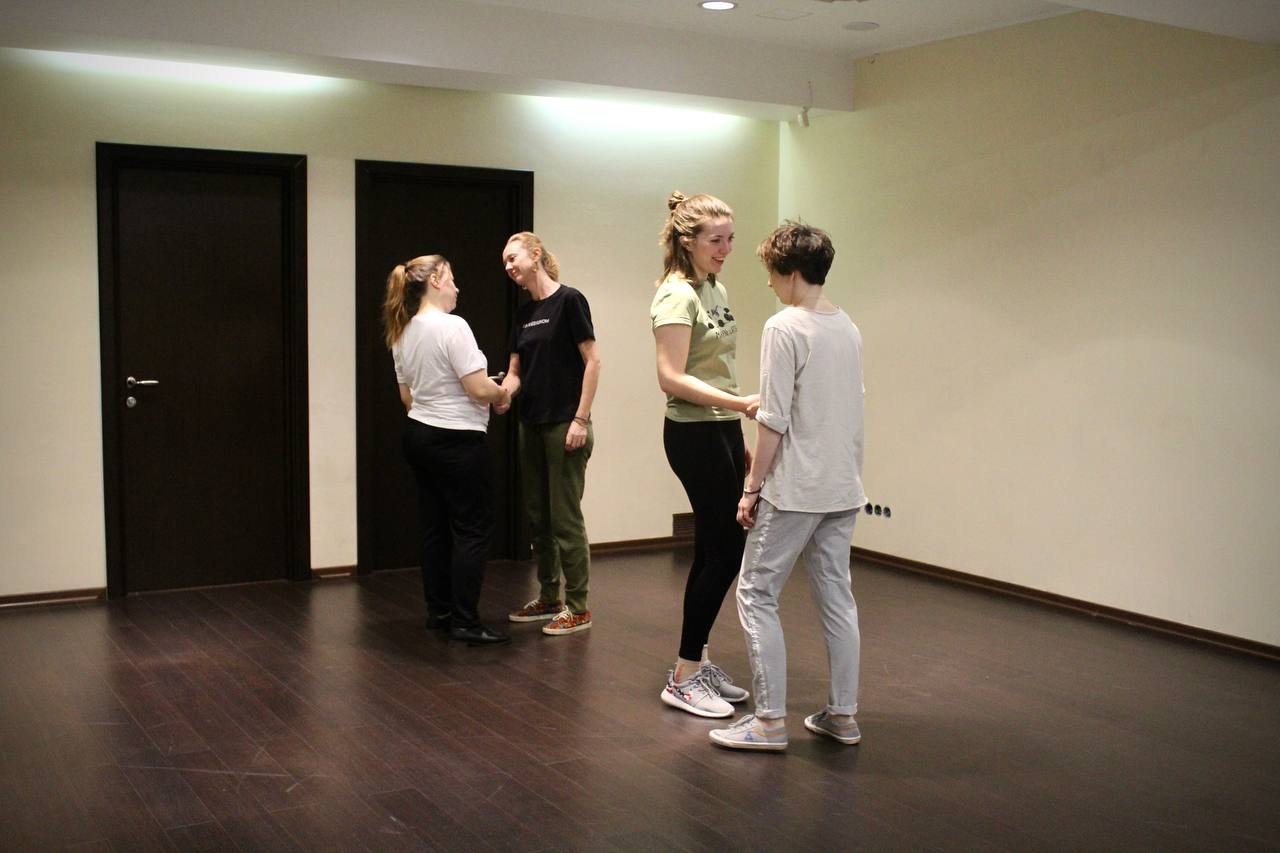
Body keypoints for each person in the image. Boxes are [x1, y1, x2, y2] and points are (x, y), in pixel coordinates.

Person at [707, 222, 866, 751]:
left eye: (772, 274)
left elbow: (773, 420)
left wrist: (751, 489)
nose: (769, 283)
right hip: (841, 487)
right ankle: (842, 716)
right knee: (837, 599)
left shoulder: (783, 327)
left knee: (755, 593)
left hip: (796, 488)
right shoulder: (847, 327)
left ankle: (769, 722)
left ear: (792, 272)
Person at [651, 191, 760, 718]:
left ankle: (697, 663)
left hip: (721, 430)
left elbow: (717, 367)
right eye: (716, 240)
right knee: (726, 551)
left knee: (713, 549)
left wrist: (736, 433)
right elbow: (670, 377)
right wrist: (740, 405)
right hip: (693, 433)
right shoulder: (676, 295)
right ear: (687, 240)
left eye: (730, 239)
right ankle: (683, 676)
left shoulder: (714, 287)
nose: (725, 249)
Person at [384, 255, 512, 646]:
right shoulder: (452, 326)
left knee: (435, 528)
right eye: (452, 279)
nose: (457, 288)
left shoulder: (402, 332)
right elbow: (478, 389)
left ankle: (439, 612)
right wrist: (502, 393)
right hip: (457, 441)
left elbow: (407, 398)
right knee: (472, 529)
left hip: (419, 436)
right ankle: (466, 621)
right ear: (437, 280)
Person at [498, 232, 601, 636]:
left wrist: (581, 419)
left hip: (565, 424)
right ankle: (548, 597)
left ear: (536, 254)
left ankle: (578, 606)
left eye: (512, 258)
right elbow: (515, 373)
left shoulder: (570, 301)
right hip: (531, 424)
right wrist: (501, 395)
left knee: (564, 517)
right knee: (539, 516)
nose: (508, 267)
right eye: (505, 263)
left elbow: (593, 361)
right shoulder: (524, 313)